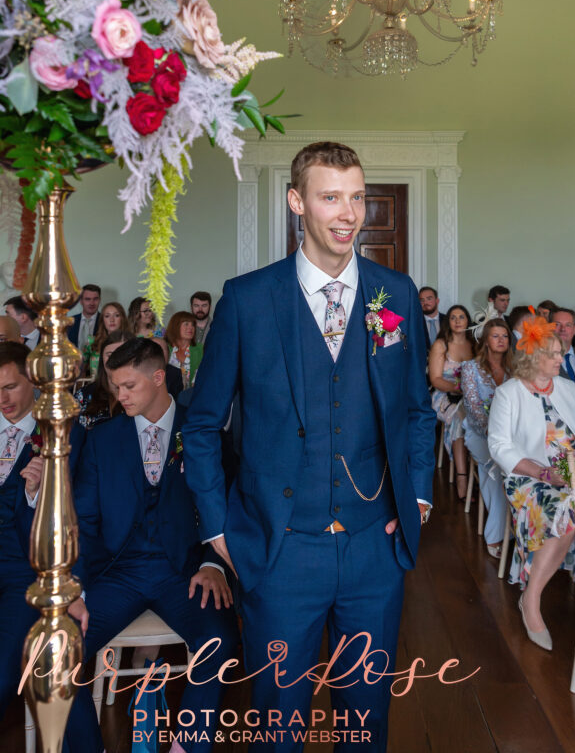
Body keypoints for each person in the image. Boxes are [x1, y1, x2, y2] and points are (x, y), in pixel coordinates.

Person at [183, 140, 435, 753]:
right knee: (277, 727)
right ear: (298, 202)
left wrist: (420, 500)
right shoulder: (246, 299)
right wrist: (217, 529)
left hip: (374, 549)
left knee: (365, 725)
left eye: (357, 198)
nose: (349, 214)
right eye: (331, 197)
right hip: (279, 550)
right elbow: (201, 424)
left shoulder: (393, 294)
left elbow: (417, 411)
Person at [65, 337, 239, 753]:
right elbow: (85, 522)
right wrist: (77, 586)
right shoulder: (103, 440)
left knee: (221, 641)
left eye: (128, 386)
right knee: (57, 649)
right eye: (115, 386)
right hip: (116, 574)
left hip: (184, 573)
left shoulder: (203, 432)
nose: (119, 396)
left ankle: (186, 747)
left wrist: (213, 565)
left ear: (159, 378)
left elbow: (229, 506)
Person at [488, 314, 575, 650]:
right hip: (529, 480)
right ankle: (530, 601)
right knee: (565, 517)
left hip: (573, 478)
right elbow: (499, 446)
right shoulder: (509, 393)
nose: (561, 360)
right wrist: (542, 473)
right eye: (555, 355)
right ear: (533, 357)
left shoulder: (566, 388)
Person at [0, 342, 85, 722]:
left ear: (33, 381)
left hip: (26, 567)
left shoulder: (65, 432)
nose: (1, 399)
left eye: (9, 387)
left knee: (4, 660)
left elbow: (78, 513)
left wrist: (35, 496)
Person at [460, 317, 512, 557]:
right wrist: (495, 435)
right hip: (480, 433)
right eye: (495, 336)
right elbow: (473, 406)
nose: (501, 340)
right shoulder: (471, 368)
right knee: (497, 471)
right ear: (486, 340)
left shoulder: (516, 368)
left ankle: (518, 530)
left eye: (504, 336)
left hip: (512, 436)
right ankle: (496, 535)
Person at [429, 304, 473, 499]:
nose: (457, 321)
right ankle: (462, 477)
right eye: (453, 317)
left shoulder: (474, 344)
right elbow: (435, 379)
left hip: (470, 396)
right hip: (444, 395)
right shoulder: (441, 345)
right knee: (459, 418)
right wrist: (458, 388)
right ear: (448, 321)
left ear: (467, 321)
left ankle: (478, 471)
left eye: (461, 317)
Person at [74, 329, 134, 428]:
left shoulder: (144, 396)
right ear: (102, 359)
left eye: (122, 353)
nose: (115, 360)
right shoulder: (83, 396)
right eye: (110, 355)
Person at [84, 301, 129, 377]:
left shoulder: (131, 342)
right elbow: (81, 369)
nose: (112, 320)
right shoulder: (92, 341)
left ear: (122, 318)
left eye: (116, 315)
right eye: (107, 316)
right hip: (96, 386)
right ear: (103, 320)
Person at [166, 312, 203, 389]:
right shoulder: (165, 348)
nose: (191, 327)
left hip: (191, 395)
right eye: (186, 324)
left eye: (193, 324)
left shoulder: (200, 349)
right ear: (175, 326)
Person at [67, 284, 101, 351]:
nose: (92, 303)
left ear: (99, 300)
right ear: (81, 301)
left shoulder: (105, 321)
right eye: (87, 299)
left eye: (95, 299)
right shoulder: (69, 322)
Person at [420, 286, 447, 357]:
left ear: (437, 301)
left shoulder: (448, 320)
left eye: (429, 299)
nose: (425, 302)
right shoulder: (415, 323)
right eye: (422, 300)